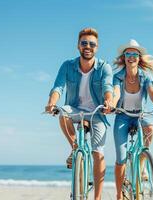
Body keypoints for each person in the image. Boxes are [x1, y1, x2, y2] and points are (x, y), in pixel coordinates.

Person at [45, 27, 113, 200]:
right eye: (84, 43)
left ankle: (97, 197)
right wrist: (52, 103)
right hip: (75, 109)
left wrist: (108, 101)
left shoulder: (104, 67)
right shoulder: (68, 66)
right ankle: (75, 148)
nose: (88, 46)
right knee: (63, 113)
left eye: (92, 44)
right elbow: (58, 87)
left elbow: (107, 87)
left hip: (97, 113)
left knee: (98, 153)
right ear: (78, 46)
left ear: (96, 47)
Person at [112, 39, 153, 200]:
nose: (131, 57)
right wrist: (111, 104)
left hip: (140, 115)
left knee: (150, 129)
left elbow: (152, 92)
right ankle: (118, 194)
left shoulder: (146, 76)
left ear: (139, 57)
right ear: (124, 57)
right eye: (128, 53)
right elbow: (115, 93)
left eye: (135, 54)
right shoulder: (118, 77)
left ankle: (142, 163)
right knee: (121, 159)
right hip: (122, 115)